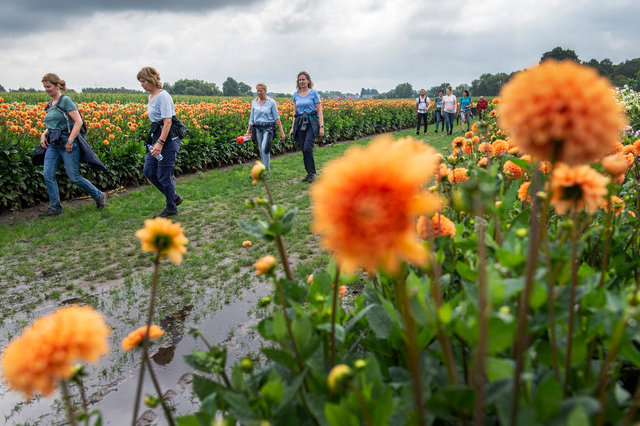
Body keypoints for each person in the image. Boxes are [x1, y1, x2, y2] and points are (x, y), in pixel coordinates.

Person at [39, 73, 106, 216]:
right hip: (54, 143)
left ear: (57, 86)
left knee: (74, 177)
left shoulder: (66, 101)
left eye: (49, 86)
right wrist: (44, 133)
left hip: (67, 143)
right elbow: (53, 123)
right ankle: (55, 207)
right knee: (47, 174)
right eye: (44, 87)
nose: (46, 89)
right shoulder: (49, 105)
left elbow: (78, 122)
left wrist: (70, 141)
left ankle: (99, 195)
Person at [138, 67, 183, 218]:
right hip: (156, 137)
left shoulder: (163, 96)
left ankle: (171, 207)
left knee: (164, 175)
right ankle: (174, 197)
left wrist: (160, 143)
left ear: (151, 80)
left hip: (168, 140)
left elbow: (168, 121)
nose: (141, 85)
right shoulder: (151, 96)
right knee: (149, 171)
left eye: (143, 81)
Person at [244, 83, 285, 175]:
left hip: (268, 128)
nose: (259, 92)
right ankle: (265, 169)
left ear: (265, 91)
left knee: (264, 148)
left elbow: (277, 118)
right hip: (257, 128)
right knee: (260, 149)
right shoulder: (254, 102)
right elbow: (252, 118)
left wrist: (282, 132)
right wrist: (248, 131)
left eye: (261, 90)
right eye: (257, 90)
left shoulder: (271, 102)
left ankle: (266, 171)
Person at [290, 71, 324, 183]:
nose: (301, 81)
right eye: (300, 80)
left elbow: (319, 110)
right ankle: (309, 173)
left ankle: (312, 173)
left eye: (303, 79)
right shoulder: (296, 95)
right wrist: (292, 127)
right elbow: (295, 112)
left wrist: (321, 126)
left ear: (308, 80)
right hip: (300, 122)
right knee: (303, 149)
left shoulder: (313, 93)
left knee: (307, 148)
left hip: (311, 121)